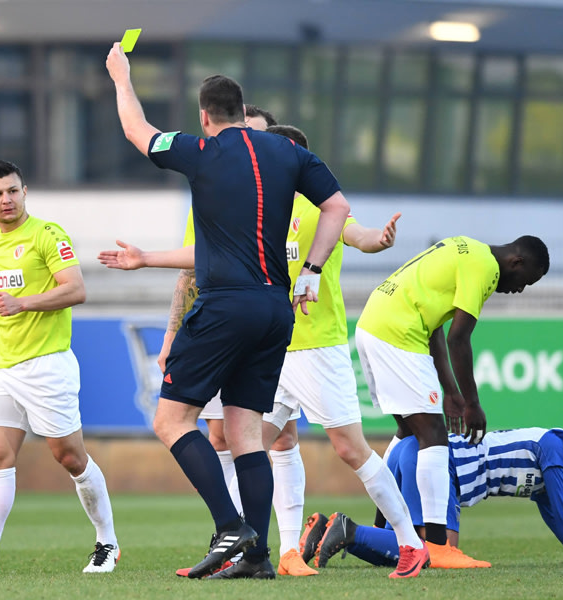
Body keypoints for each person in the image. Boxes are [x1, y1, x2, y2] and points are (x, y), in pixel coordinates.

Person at [99, 125, 429, 581]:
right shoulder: (252, 205)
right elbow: (202, 256)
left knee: (349, 448)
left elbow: (357, 233)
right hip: (272, 346)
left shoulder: (315, 206)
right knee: (244, 443)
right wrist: (147, 259)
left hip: (316, 347)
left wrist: (381, 239)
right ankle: (252, 549)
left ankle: (411, 544)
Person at [106, 41, 352, 580]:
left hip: (225, 307)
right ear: (245, 113)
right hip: (275, 309)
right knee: (245, 436)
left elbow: (136, 130)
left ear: (205, 117)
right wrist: (309, 270)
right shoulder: (289, 153)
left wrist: (122, 77)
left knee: (170, 420)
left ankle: (230, 527)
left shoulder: (200, 150)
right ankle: (257, 557)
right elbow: (337, 207)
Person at [0, 160, 119, 575]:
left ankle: (108, 542)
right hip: (3, 368)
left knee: (70, 457)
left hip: (47, 365)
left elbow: (76, 290)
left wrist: (25, 303)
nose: (6, 199)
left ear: (25, 191)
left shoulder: (47, 235)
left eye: (12, 191)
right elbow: (3, 311)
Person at [354, 234, 550, 567]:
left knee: (408, 430)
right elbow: (459, 338)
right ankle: (439, 546)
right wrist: (472, 403)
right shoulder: (485, 267)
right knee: (435, 436)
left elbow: (436, 331)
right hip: (396, 332)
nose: (519, 289)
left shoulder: (465, 246)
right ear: (516, 262)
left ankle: (380, 527)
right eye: (524, 281)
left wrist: (451, 392)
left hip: (375, 322)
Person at [310, 413, 563, 570]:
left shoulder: (546, 469)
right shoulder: (552, 446)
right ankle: (348, 531)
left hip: (420, 454)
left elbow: (559, 519)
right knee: (436, 553)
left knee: (413, 555)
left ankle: (332, 530)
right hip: (442, 464)